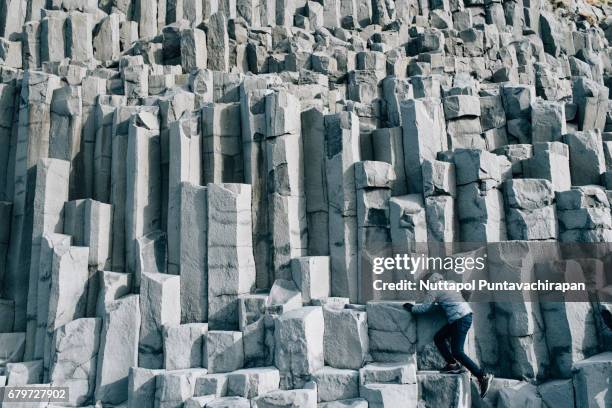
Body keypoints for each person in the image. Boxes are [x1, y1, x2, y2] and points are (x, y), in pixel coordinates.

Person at [404, 272, 493, 398]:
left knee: (457, 352)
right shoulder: (451, 283)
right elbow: (466, 293)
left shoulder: (434, 289)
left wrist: (411, 308)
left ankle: (482, 376)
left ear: (430, 282)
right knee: (439, 337)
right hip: (464, 316)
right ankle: (452, 365)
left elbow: (424, 308)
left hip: (459, 319)